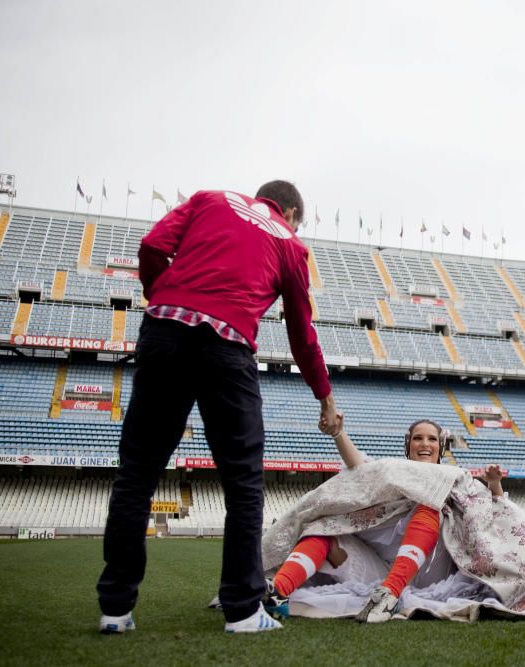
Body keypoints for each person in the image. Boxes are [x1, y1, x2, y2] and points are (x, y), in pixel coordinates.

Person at [97, 181, 340, 635]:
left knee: (136, 474)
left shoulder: (210, 199)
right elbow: (301, 334)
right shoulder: (289, 243)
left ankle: (115, 608)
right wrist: (324, 396)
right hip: (227, 344)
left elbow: (151, 246)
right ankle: (243, 611)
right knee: (244, 484)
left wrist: (162, 297)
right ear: (289, 212)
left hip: (165, 330)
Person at [265, 416, 506, 623]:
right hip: (380, 573)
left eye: (432, 439)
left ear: (441, 447)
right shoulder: (392, 473)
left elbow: (497, 519)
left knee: (429, 504)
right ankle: (278, 592)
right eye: (418, 438)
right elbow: (358, 466)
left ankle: (390, 596)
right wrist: (338, 433)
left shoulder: (456, 480)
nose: (425, 443)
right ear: (408, 444)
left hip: (432, 576)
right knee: (324, 526)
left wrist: (494, 486)